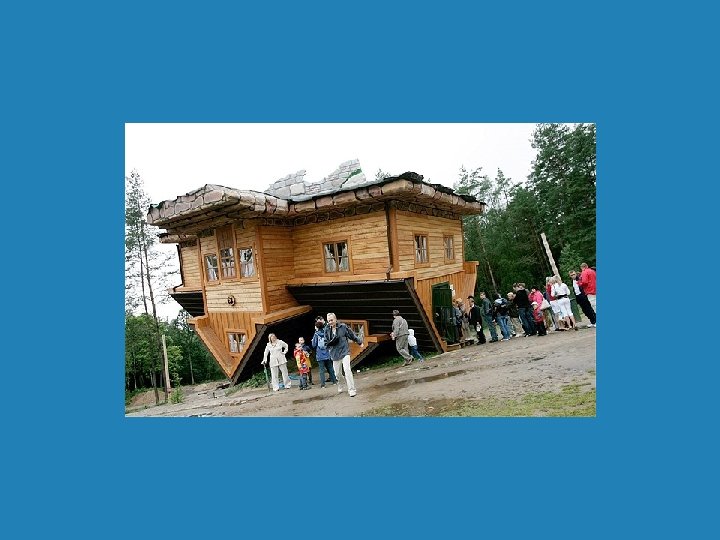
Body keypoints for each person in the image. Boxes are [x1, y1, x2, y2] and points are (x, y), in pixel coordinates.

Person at [324, 312, 363, 397]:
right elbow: (325, 342)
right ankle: (340, 383)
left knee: (347, 370)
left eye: (331, 320)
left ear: (335, 319)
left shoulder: (343, 327)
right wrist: (328, 346)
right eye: (329, 321)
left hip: (344, 351)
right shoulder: (326, 329)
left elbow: (351, 335)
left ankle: (352, 389)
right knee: (337, 374)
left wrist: (359, 342)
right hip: (334, 354)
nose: (330, 322)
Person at [311, 317, 338, 387]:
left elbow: (313, 345)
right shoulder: (326, 333)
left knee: (321, 370)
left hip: (320, 354)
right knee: (330, 368)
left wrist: (313, 340)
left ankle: (323, 384)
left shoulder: (316, 334)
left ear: (317, 327)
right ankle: (334, 381)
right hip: (327, 353)